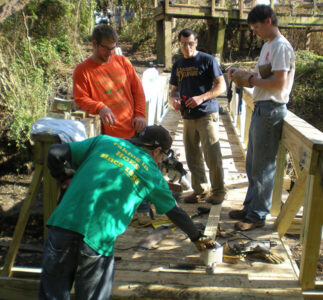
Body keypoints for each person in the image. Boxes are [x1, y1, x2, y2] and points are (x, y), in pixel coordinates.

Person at [39, 125, 214, 299]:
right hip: (96, 239)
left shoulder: (104, 141)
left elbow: (55, 152)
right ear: (157, 151)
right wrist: (196, 237)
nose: (161, 161)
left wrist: (64, 177)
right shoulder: (151, 174)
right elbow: (176, 213)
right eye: (163, 155)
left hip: (61, 226)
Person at [227, 5, 295, 231]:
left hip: (271, 110)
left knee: (264, 166)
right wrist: (242, 75)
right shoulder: (268, 45)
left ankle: (257, 215)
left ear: (268, 21)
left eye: (256, 27)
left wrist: (250, 81)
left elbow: (278, 84)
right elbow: (262, 76)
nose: (254, 32)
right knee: (252, 163)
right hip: (260, 107)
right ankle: (249, 208)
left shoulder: (281, 47)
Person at [73, 24, 150, 223]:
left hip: (133, 129)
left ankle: (142, 209)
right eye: (106, 48)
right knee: (112, 177)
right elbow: (80, 98)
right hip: (108, 136)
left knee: (138, 171)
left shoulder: (122, 62)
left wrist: (140, 114)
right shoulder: (83, 70)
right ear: (94, 44)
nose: (111, 52)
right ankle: (112, 216)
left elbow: (138, 91)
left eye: (113, 47)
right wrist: (100, 107)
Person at [169, 28, 227, 205]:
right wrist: (173, 101)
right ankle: (200, 190)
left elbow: (221, 86)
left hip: (207, 113)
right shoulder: (178, 64)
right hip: (187, 116)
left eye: (191, 43)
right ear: (179, 44)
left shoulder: (207, 60)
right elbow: (173, 90)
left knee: (212, 154)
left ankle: (218, 190)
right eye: (183, 44)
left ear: (196, 42)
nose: (187, 47)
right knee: (192, 154)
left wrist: (201, 98)